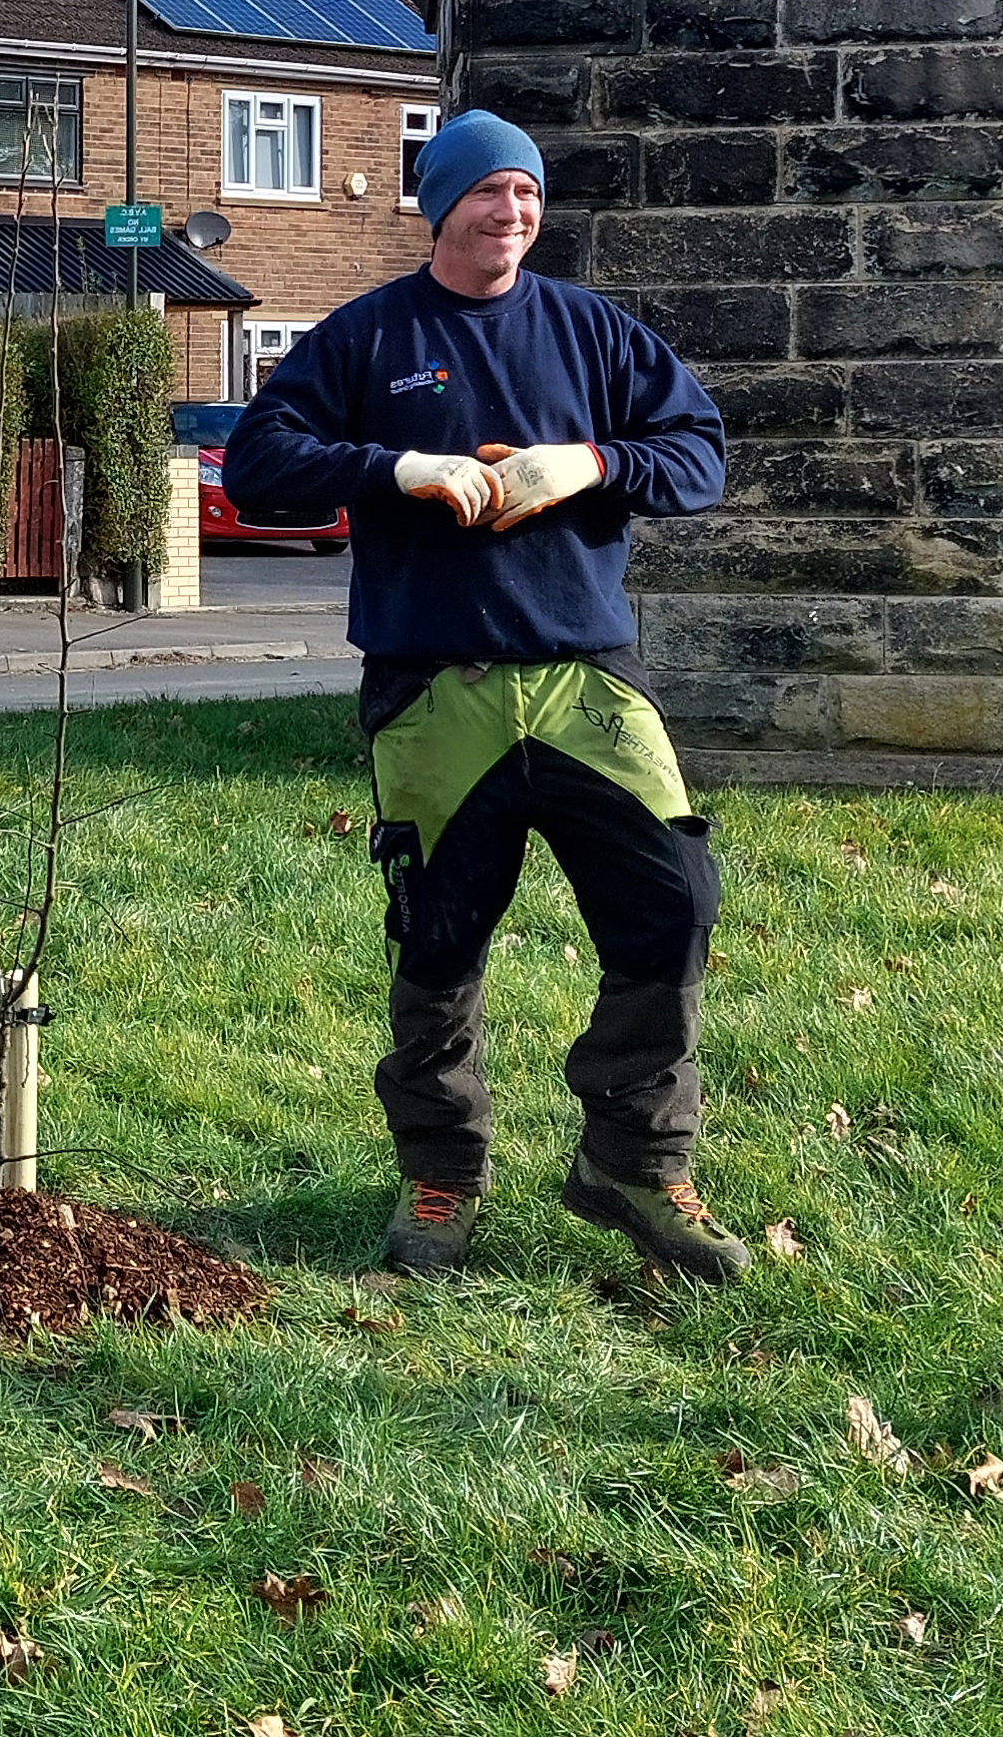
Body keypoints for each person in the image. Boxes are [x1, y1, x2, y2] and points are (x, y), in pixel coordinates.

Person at [225, 109, 740, 1283]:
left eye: (527, 194)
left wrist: (593, 462)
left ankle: (633, 1159)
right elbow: (259, 462)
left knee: (675, 903)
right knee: (440, 939)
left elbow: (699, 451)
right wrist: (394, 470)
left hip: (584, 679)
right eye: (487, 193)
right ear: (438, 205)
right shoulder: (368, 336)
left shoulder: (592, 330)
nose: (510, 213)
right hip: (434, 687)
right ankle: (443, 1170)